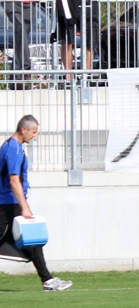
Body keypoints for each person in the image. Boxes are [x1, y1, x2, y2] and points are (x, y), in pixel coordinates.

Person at [0, 115, 72, 291]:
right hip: (8, 204)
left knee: (32, 242)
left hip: (8, 203)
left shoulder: (11, 146)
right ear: (24, 129)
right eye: (34, 132)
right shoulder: (13, 149)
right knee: (32, 241)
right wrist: (25, 207)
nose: (35, 136)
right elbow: (14, 180)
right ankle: (47, 281)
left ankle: (47, 280)